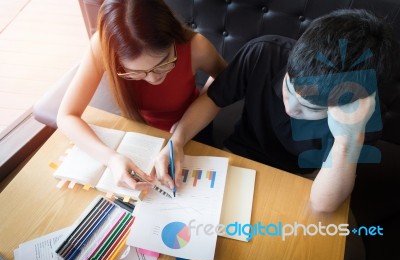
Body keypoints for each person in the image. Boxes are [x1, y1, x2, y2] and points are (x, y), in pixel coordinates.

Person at [154, 9, 400, 213]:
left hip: (305, 178)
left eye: (308, 107)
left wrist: (349, 138)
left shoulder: (359, 116)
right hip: (240, 154)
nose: (290, 107)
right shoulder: (265, 51)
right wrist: (178, 139)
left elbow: (323, 205)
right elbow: (213, 99)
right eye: (289, 88)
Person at [57, 0, 226, 190]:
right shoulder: (101, 47)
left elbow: (225, 82)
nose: (153, 78)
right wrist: (111, 158)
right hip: (139, 133)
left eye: (163, 64)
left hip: (193, 129)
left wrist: (180, 135)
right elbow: (66, 116)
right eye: (136, 72)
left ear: (172, 39)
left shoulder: (196, 46)